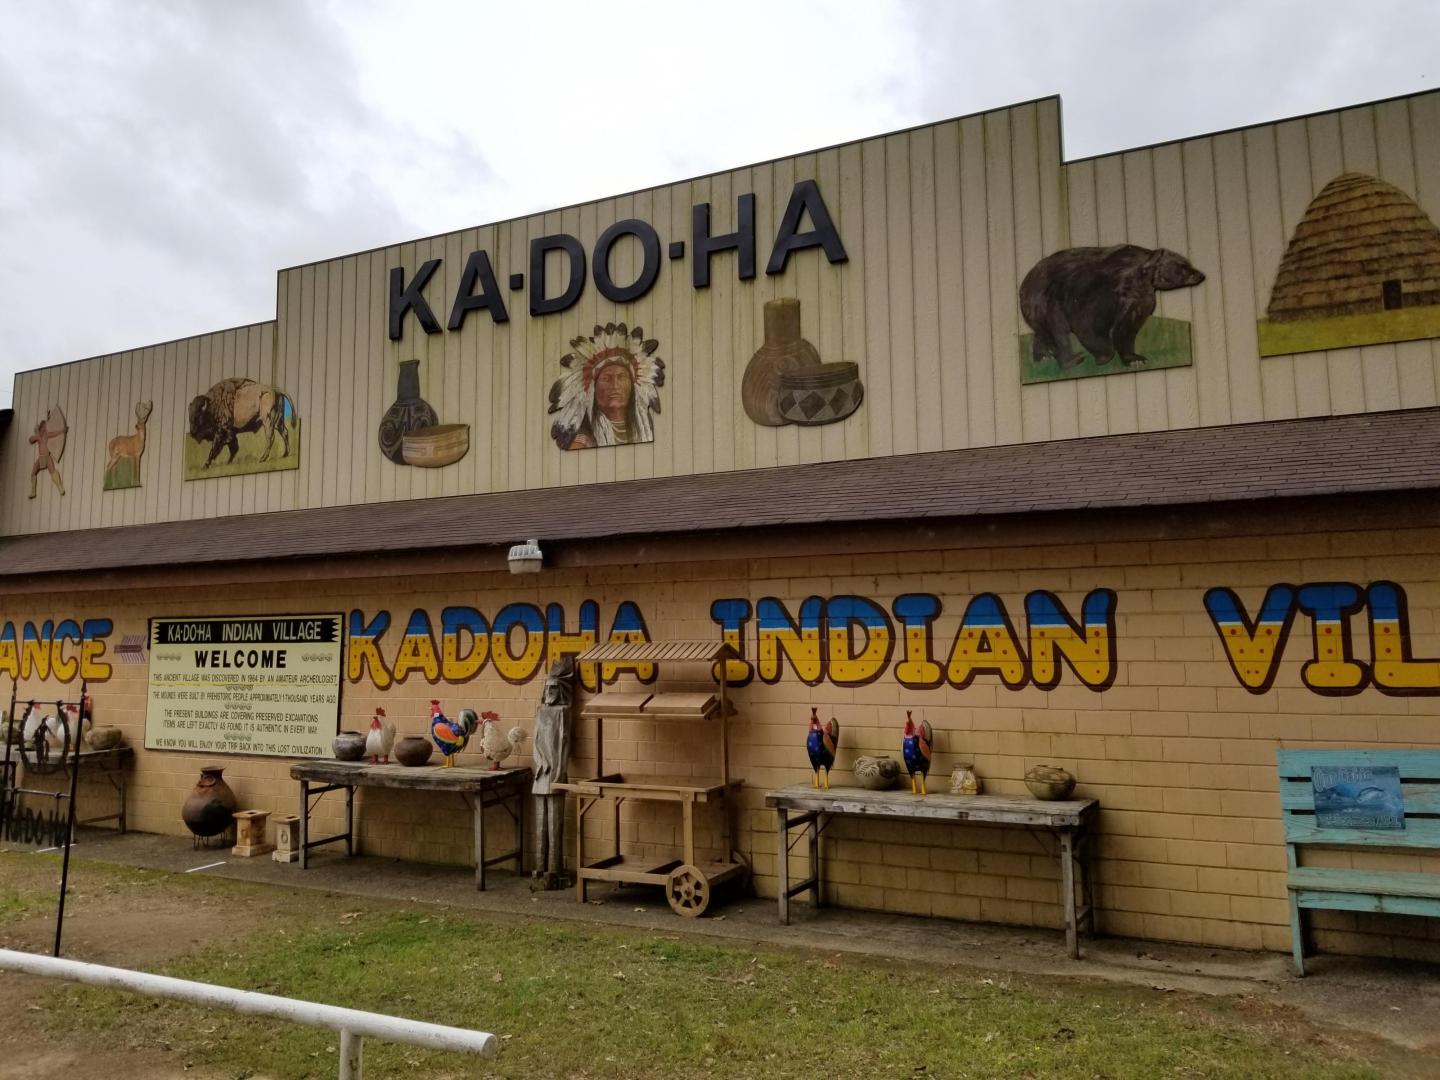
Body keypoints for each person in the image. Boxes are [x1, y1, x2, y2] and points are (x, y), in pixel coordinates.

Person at [547, 322, 665, 450]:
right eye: (606, 378)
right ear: (592, 389)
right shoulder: (582, 441)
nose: (615, 385)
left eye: (621, 377)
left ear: (633, 387)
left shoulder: (644, 430)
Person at [28, 414, 67, 498]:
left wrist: (62, 430)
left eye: (45, 428)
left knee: (52, 471)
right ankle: (33, 491)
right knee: (33, 471)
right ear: (40, 429)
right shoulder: (38, 437)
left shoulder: (46, 435)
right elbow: (30, 440)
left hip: (47, 456)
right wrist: (37, 435)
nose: (45, 429)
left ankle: (60, 487)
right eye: (43, 428)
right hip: (41, 457)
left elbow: (55, 433)